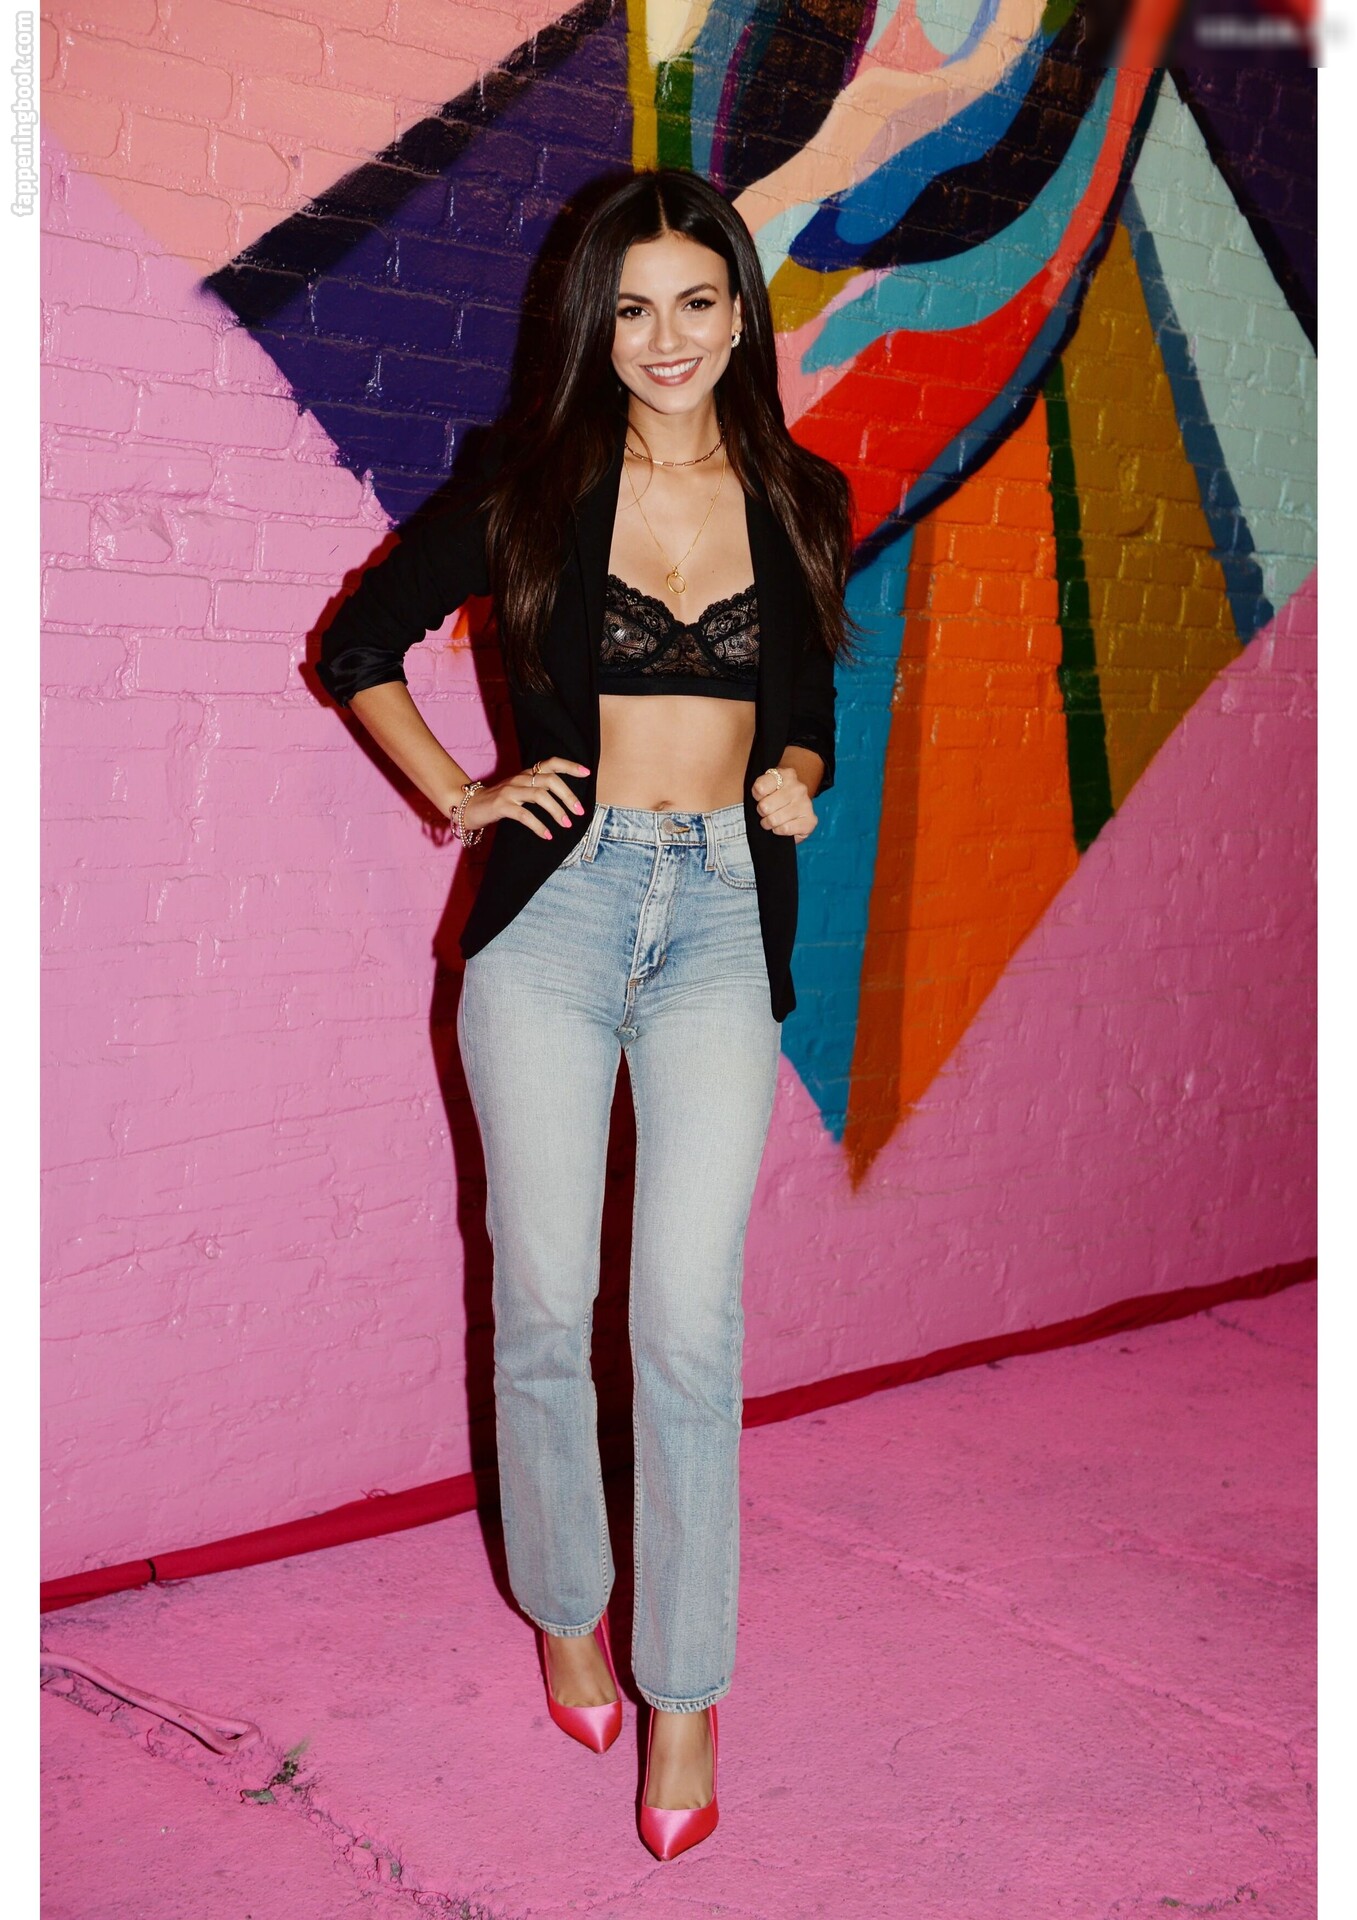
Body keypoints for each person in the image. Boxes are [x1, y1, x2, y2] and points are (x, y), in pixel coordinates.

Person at [315, 166, 853, 1861]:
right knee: (546, 1304)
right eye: (629, 308)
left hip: (720, 920)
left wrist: (798, 772)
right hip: (556, 920)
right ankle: (566, 1609)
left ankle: (683, 1693)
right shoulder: (530, 484)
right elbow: (360, 646)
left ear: (740, 312)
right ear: (591, 326)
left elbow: (809, 705)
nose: (663, 336)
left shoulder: (803, 496)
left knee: (686, 1323)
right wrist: (460, 796)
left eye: (694, 300)